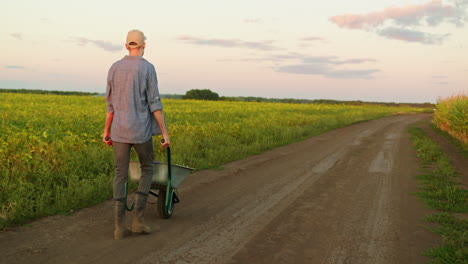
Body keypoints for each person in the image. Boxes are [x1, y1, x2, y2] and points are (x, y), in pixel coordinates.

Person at [103, 29, 170, 240]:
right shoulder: (148, 68)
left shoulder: (114, 67)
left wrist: (106, 131)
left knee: (120, 174)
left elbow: (110, 104)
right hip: (141, 131)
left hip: (119, 132)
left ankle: (118, 227)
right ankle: (138, 220)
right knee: (148, 168)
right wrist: (165, 133)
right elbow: (154, 104)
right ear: (144, 46)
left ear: (126, 46)